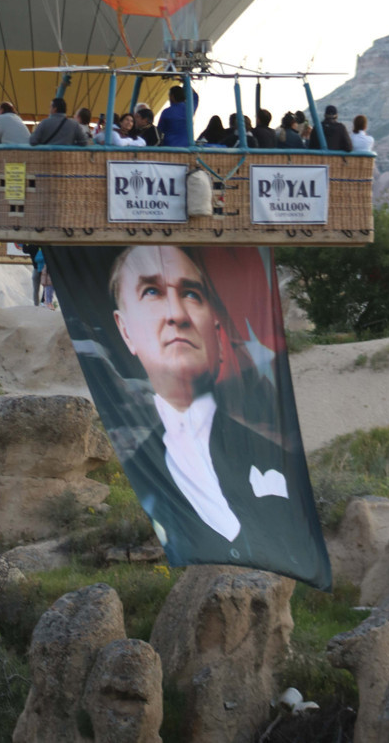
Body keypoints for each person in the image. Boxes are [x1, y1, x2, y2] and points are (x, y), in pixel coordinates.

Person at [110, 245, 314, 572]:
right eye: (152, 292)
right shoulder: (136, 469)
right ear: (125, 331)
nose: (177, 315)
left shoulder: (274, 454)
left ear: (218, 335)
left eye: (191, 294)